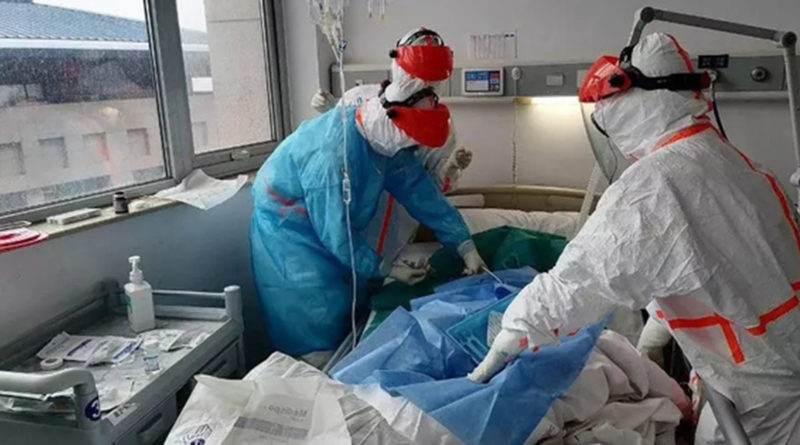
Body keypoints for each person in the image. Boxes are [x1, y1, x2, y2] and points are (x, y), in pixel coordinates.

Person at [468, 32, 800, 444]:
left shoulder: (655, 185)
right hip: (769, 368)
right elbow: (700, 262)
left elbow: (577, 283)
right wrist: (657, 329)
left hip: (764, 395)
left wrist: (510, 336)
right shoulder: (731, 161)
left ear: (636, 104)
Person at [251, 27, 486, 365]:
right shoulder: (334, 156)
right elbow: (338, 235)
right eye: (410, 142)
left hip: (330, 227)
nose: (411, 151)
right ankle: (312, 373)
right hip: (290, 233)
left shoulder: (387, 144)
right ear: (394, 126)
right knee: (315, 318)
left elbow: (425, 196)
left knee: (349, 301)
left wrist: (465, 246)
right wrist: (387, 267)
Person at [310, 28, 474, 262]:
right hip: (354, 215)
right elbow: (335, 149)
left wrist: (450, 168)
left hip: (399, 226)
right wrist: (331, 114)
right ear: (399, 65)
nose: (423, 83)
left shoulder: (436, 125)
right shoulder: (359, 98)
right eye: (418, 73)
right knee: (352, 261)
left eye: (431, 77)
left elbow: (430, 194)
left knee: (384, 270)